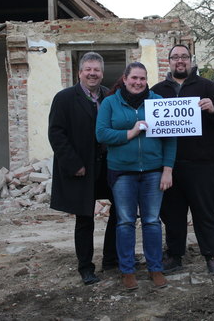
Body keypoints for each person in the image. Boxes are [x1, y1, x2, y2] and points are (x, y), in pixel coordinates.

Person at [151, 44, 214, 276]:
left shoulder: (207, 87)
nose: (180, 61)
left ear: (190, 60)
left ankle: (212, 256)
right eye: (175, 57)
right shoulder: (157, 91)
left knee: (205, 213)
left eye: (184, 57)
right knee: (172, 214)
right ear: (169, 61)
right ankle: (174, 255)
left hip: (202, 164)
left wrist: (213, 108)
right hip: (169, 166)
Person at [96, 62, 177, 291]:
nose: (138, 82)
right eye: (134, 78)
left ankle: (155, 267)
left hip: (153, 172)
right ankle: (127, 270)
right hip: (122, 172)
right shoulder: (111, 103)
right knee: (125, 222)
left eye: (142, 78)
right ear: (125, 78)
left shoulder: (157, 102)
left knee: (151, 221)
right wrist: (130, 133)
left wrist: (167, 169)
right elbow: (101, 133)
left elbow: (170, 138)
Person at [48, 52, 118, 286]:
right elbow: (56, 134)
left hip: (108, 167)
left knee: (121, 210)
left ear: (102, 73)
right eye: (88, 69)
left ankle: (111, 258)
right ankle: (86, 268)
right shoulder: (65, 98)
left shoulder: (110, 96)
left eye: (96, 70)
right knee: (85, 218)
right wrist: (73, 163)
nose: (92, 73)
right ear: (79, 73)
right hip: (82, 168)